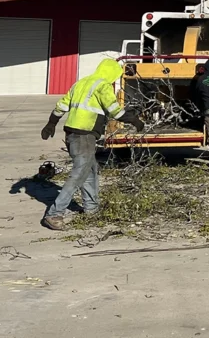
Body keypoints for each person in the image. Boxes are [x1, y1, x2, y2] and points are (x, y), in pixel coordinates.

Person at [40, 59, 143, 230]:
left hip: (72, 134)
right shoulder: (102, 86)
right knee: (79, 173)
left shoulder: (81, 83)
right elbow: (115, 111)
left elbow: (61, 105)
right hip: (84, 135)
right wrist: (135, 120)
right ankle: (54, 214)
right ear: (112, 74)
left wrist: (51, 123)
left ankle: (91, 208)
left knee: (90, 169)